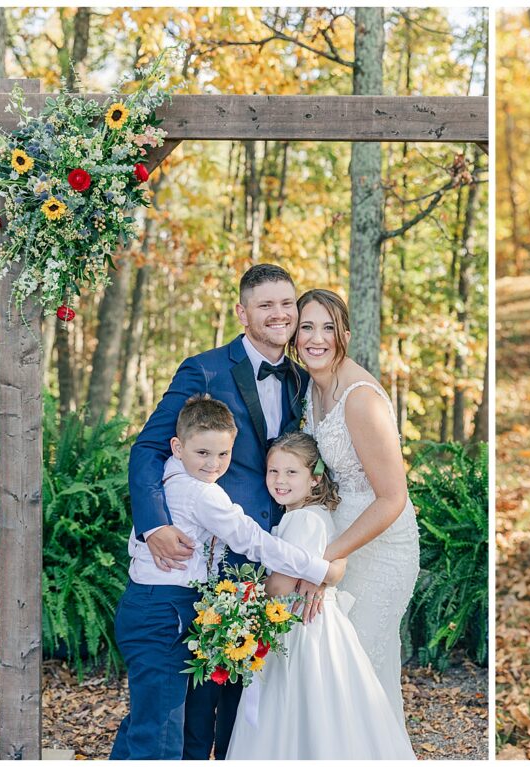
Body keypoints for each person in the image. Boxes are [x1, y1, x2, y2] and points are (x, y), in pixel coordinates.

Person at [127, 264, 326, 759]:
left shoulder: (303, 378)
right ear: (243, 312)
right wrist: (155, 524)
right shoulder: (206, 369)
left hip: (273, 555)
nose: (279, 314)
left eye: (287, 303)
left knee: (250, 698)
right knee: (195, 698)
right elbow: (148, 449)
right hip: (211, 555)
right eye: (265, 305)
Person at [111, 396, 343, 760]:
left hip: (146, 605)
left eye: (223, 454)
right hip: (164, 611)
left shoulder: (167, 474)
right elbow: (252, 540)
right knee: (161, 737)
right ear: (177, 445)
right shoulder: (201, 493)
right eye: (203, 452)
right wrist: (320, 569)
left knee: (145, 724)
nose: (213, 464)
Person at [226, 432, 416, 759]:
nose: (280, 480)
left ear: (315, 480)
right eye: (273, 471)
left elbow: (282, 587)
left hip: (300, 628)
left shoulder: (301, 520)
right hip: (318, 625)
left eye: (291, 472)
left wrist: (244, 602)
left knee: (295, 708)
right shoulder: (311, 515)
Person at [294, 288, 421, 724]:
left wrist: (325, 559)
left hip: (380, 542)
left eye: (328, 327)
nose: (317, 338)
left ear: (344, 334)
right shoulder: (311, 388)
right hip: (340, 532)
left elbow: (393, 498)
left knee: (357, 666)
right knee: (327, 663)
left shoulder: (360, 398)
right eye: (307, 327)